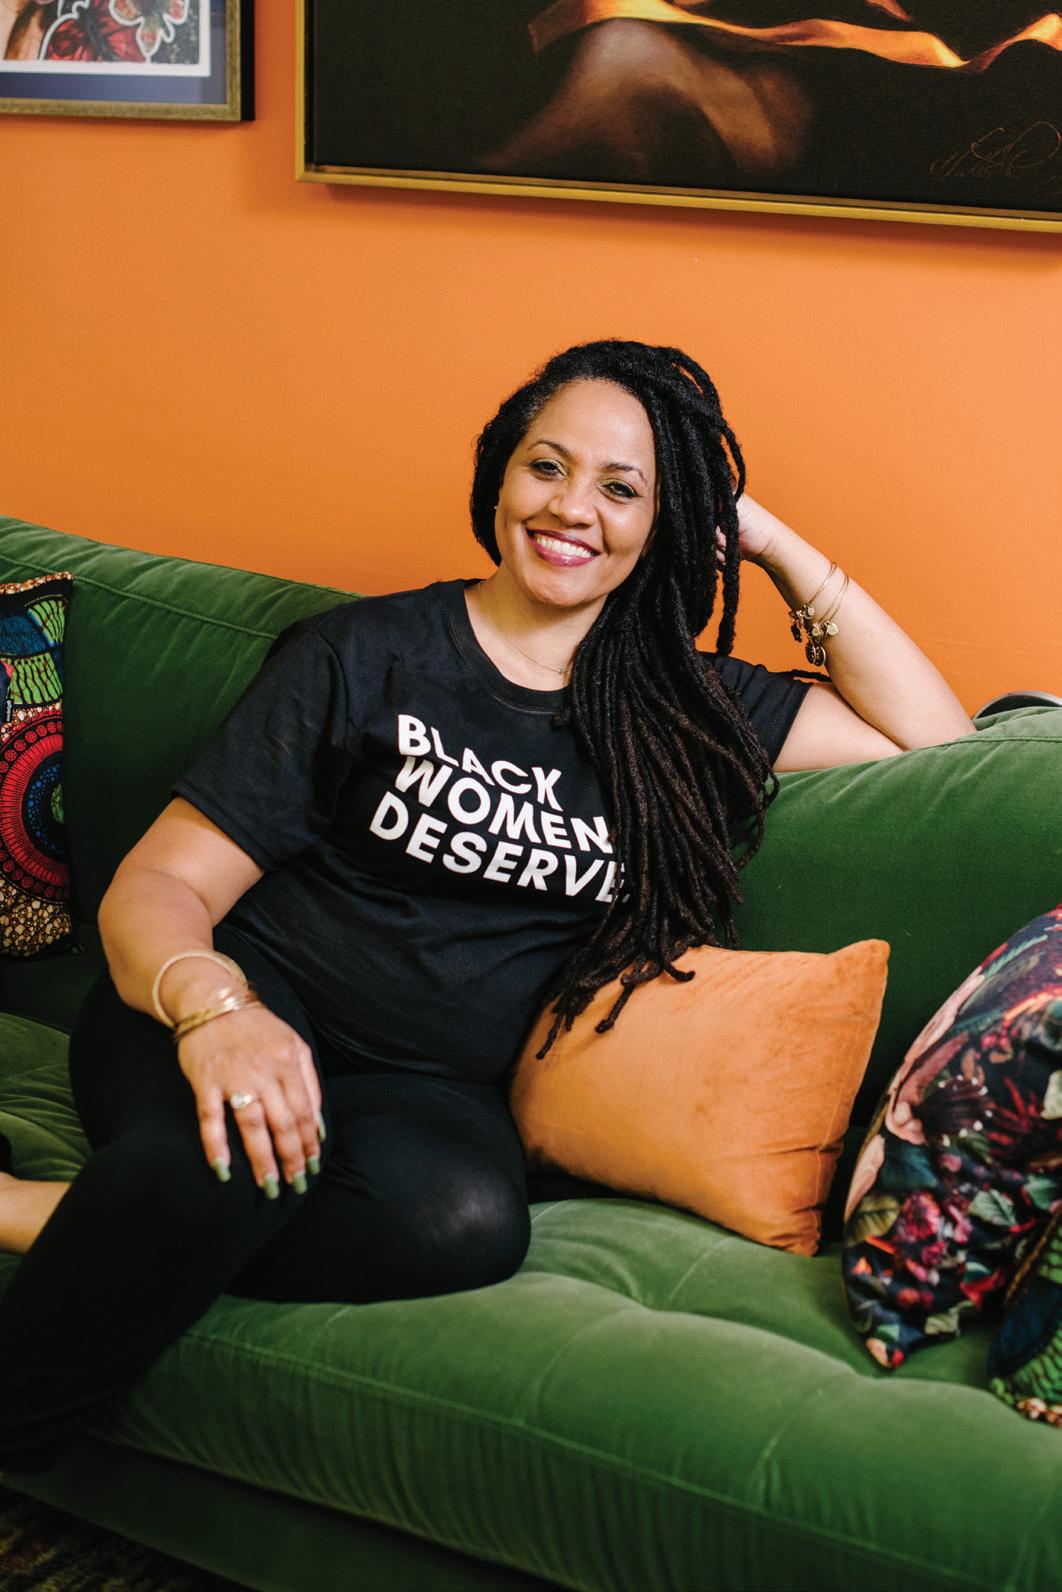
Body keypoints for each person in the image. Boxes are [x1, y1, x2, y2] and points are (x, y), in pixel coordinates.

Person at [0, 339, 974, 1474]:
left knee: (463, 1224)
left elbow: (936, 741)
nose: (571, 508)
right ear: (499, 476)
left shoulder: (680, 706)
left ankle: (36, 1211)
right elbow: (161, 884)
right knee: (236, 1152)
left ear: (667, 525)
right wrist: (217, 1012)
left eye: (623, 489)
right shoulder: (366, 653)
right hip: (219, 1008)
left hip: (427, 1091)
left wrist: (760, 535)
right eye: (546, 466)